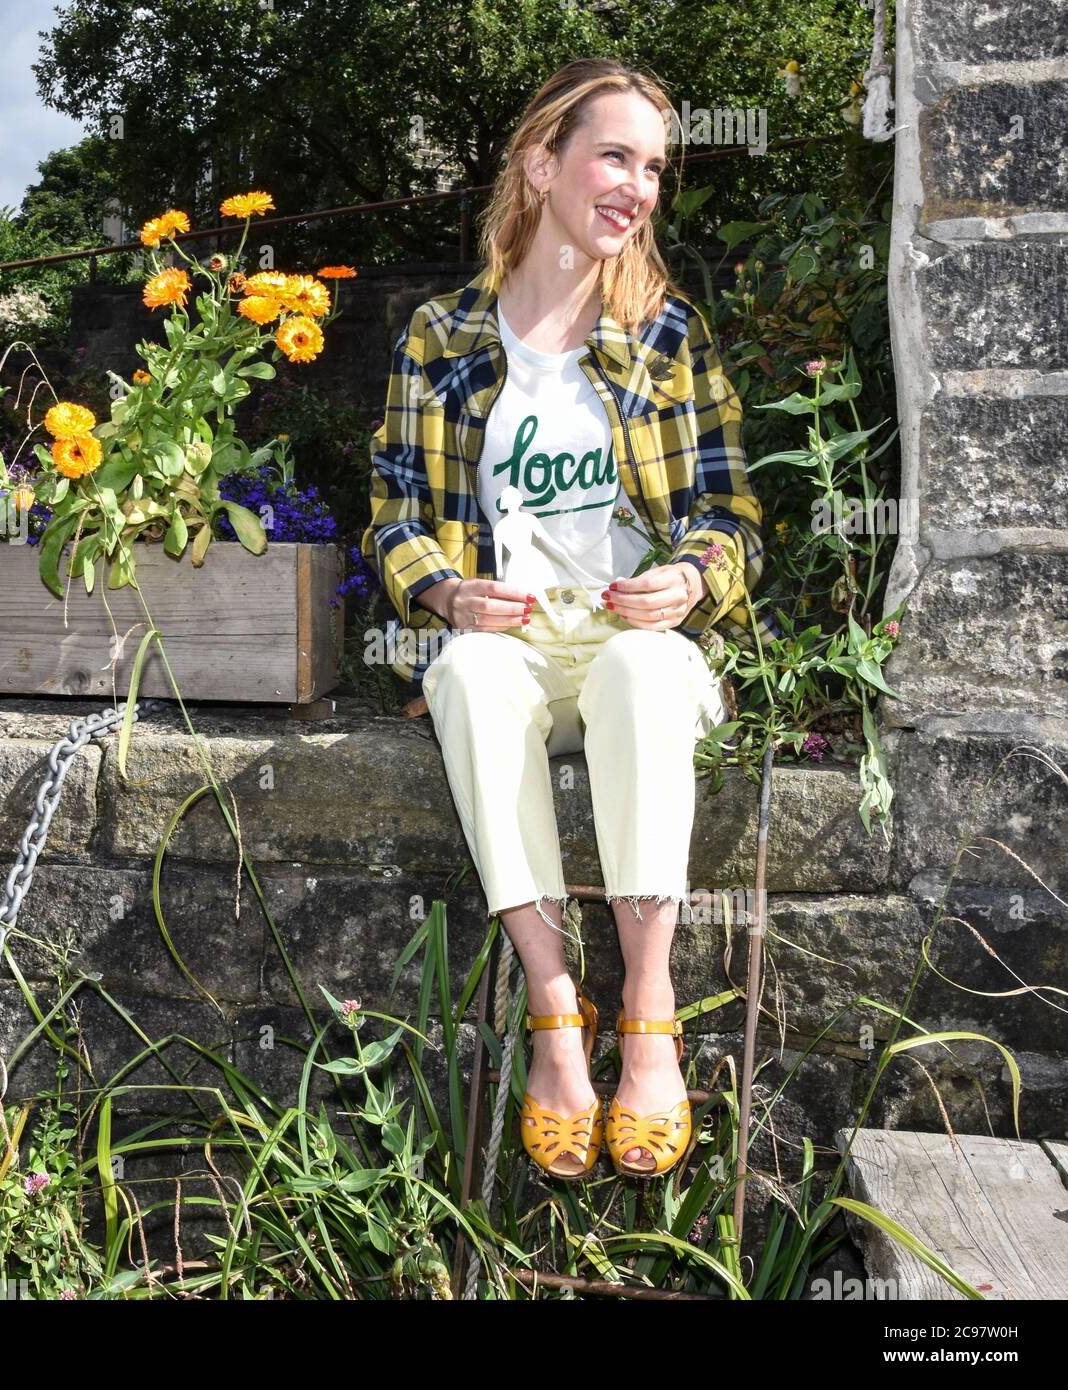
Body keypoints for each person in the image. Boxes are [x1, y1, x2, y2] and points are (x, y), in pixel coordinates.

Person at [360, 58, 773, 1180]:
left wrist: (691, 578)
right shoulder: (441, 336)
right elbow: (394, 513)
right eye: (614, 156)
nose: (638, 185)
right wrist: (446, 593)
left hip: (629, 641)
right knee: (465, 675)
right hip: (518, 643)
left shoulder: (667, 336)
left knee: (645, 670)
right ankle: (554, 1005)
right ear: (543, 166)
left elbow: (731, 509)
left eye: (652, 166)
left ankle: (647, 1003)